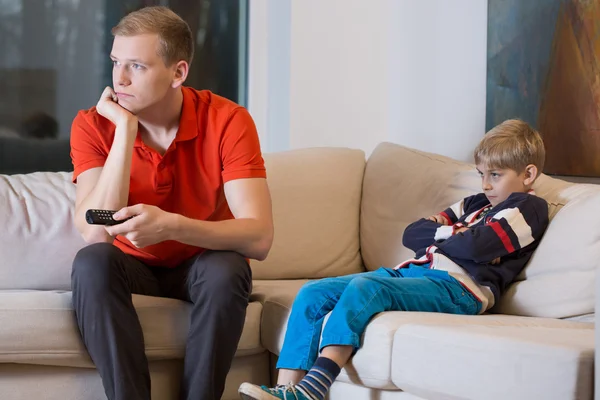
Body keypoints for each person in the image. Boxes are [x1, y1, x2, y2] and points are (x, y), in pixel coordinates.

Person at [238, 119, 549, 400]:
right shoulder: (475, 203)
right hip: (417, 274)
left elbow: (476, 247)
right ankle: (284, 391)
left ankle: (313, 389)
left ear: (528, 174)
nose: (485, 185)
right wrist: (458, 235)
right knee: (313, 292)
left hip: (461, 288)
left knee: (366, 286)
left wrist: (449, 235)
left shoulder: (528, 207)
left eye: (495, 175)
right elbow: (413, 233)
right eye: (482, 174)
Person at [69, 6, 273, 400]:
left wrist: (172, 225)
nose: (120, 79)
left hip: (201, 262)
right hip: (130, 265)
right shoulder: (94, 124)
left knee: (228, 266)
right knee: (91, 263)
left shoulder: (228, 121)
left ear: (178, 73)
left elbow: (260, 238)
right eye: (115, 62)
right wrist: (125, 130)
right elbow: (95, 231)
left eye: (137, 67)